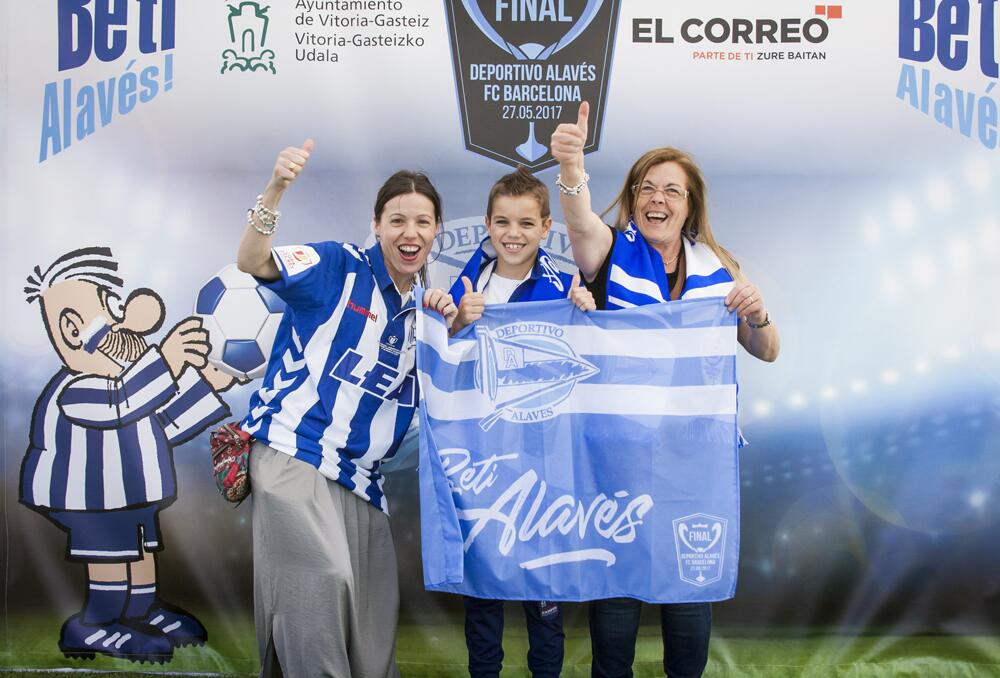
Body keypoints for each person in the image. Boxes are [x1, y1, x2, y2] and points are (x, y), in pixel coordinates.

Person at [550, 104, 780, 678]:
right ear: (632, 199)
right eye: (647, 188)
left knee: (689, 587)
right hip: (620, 455)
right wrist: (573, 169)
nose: (658, 199)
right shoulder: (610, 251)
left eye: (672, 191)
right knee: (620, 588)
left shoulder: (720, 267)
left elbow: (768, 348)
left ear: (690, 205)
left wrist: (757, 312)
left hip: (693, 457)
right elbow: (579, 223)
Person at [236, 139, 457, 677]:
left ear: (436, 232)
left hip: (361, 478)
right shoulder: (339, 264)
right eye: (398, 220)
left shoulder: (421, 310)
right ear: (377, 224)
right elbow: (252, 260)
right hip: (295, 453)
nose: (411, 233)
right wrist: (276, 188)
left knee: (372, 621)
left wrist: (457, 318)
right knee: (320, 585)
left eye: (423, 222)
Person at [449, 167, 596, 678]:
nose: (514, 234)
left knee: (544, 598)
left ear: (545, 226)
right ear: (489, 225)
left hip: (544, 464)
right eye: (503, 222)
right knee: (484, 597)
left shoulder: (564, 287)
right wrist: (457, 321)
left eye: (526, 223)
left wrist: (587, 311)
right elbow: (440, 357)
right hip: (483, 467)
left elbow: (592, 356)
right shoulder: (468, 285)